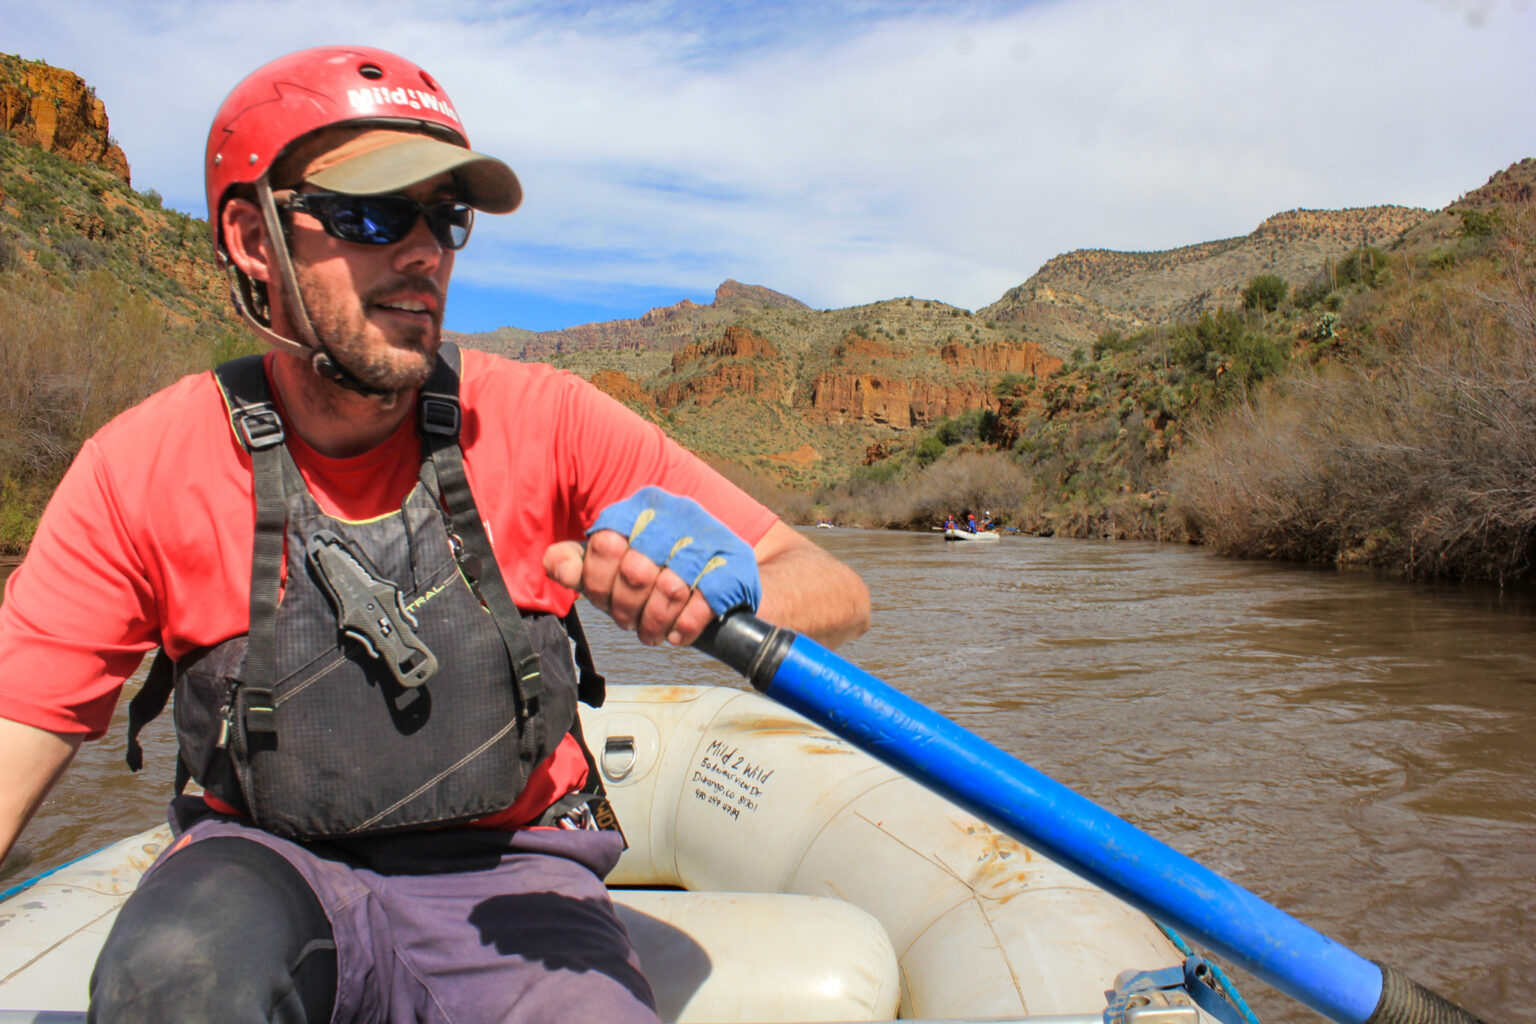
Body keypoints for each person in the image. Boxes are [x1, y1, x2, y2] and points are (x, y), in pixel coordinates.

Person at [0, 45, 870, 1023]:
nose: (423, 251)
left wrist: (730, 583)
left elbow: (834, 585)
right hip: (261, 867)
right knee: (178, 975)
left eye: (443, 217)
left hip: (515, 873)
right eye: (373, 214)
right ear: (252, 238)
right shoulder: (141, 465)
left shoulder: (549, 417)